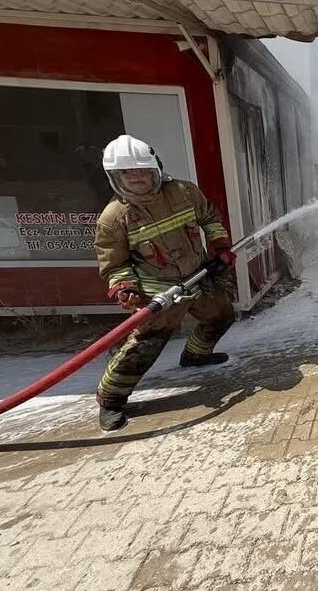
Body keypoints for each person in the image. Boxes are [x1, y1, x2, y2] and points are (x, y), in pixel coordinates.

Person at [93, 135, 237, 431]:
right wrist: (126, 289)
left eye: (143, 171)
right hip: (159, 292)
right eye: (128, 174)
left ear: (156, 169)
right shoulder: (114, 217)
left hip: (197, 276)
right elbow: (115, 263)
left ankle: (196, 356)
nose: (138, 178)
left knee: (221, 315)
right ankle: (111, 400)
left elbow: (209, 216)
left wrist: (220, 245)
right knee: (145, 345)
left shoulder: (184, 192)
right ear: (115, 178)